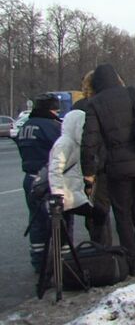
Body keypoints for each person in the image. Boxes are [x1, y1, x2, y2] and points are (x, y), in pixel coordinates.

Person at [81, 63, 135, 275]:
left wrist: (89, 173)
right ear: (117, 78)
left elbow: (89, 142)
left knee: (123, 215)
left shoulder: (95, 104)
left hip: (116, 168)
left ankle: (132, 262)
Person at [49, 109, 111, 245]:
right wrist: (58, 195)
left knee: (65, 228)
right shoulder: (65, 144)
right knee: (98, 214)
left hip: (72, 193)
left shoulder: (75, 144)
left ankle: (66, 255)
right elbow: (55, 170)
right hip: (65, 195)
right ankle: (98, 247)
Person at [16, 93, 62, 272]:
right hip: (47, 178)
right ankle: (61, 262)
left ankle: (38, 261)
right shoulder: (52, 127)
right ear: (50, 109)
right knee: (59, 220)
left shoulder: (26, 126)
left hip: (29, 178)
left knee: (36, 221)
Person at [71, 70, 113, 246]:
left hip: (88, 165)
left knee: (95, 212)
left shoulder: (80, 106)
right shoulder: (109, 104)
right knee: (106, 211)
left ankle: (101, 250)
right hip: (109, 163)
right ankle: (108, 254)